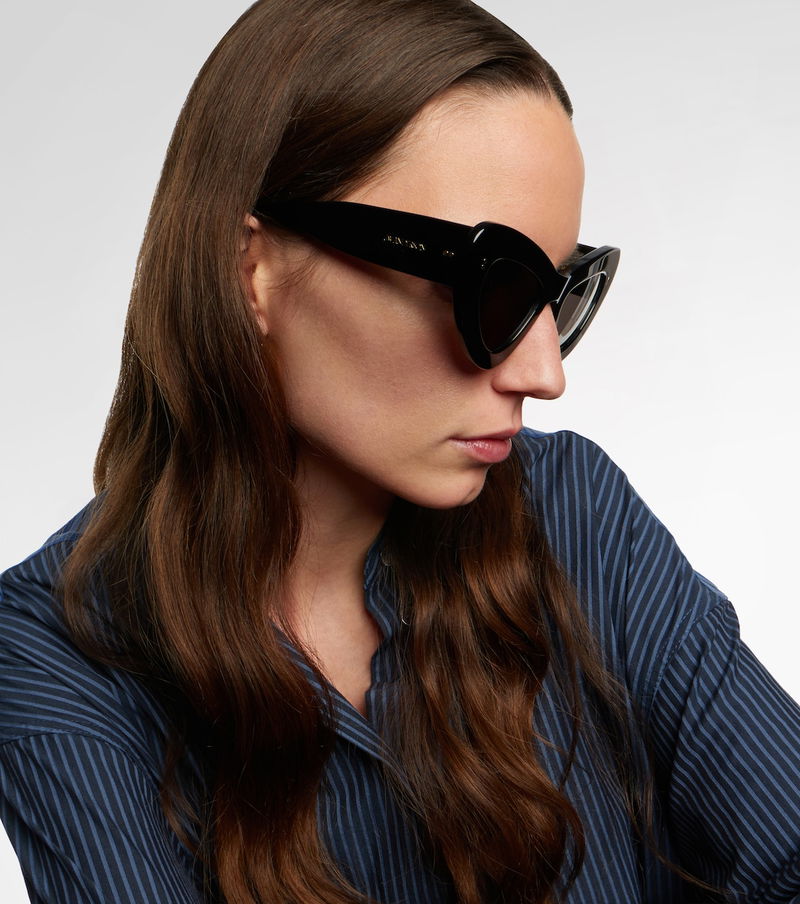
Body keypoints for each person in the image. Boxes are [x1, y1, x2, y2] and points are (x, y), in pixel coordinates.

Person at [1, 0, 799, 902]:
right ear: (250, 271)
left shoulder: (577, 518)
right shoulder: (59, 654)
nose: (544, 374)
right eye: (487, 286)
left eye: (559, 291)